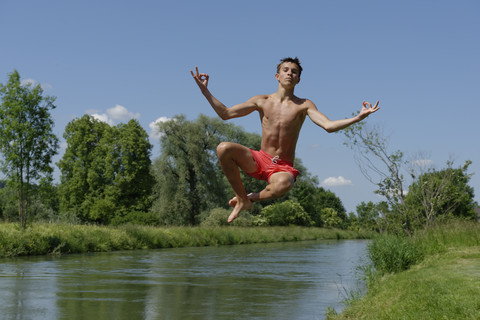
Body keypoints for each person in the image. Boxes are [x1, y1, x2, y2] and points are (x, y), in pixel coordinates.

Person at [191, 57, 379, 223]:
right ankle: (241, 199)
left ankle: (250, 198)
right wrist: (204, 91)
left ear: (298, 79)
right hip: (260, 159)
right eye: (286, 70)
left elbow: (328, 126)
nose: (290, 73)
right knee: (224, 148)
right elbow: (226, 114)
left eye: (294, 72)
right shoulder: (262, 100)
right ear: (277, 76)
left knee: (284, 185)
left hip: (282, 167)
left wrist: (358, 117)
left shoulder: (304, 105)